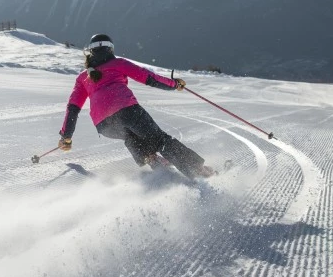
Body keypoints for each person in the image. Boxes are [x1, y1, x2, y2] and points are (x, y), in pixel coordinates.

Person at [58, 34, 215, 179]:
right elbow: (149, 78)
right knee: (160, 140)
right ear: (110, 49)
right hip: (127, 112)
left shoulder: (82, 78)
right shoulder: (118, 63)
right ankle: (199, 171)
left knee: (130, 136)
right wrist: (174, 84)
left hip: (104, 125)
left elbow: (73, 108)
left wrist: (66, 137)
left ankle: (157, 165)